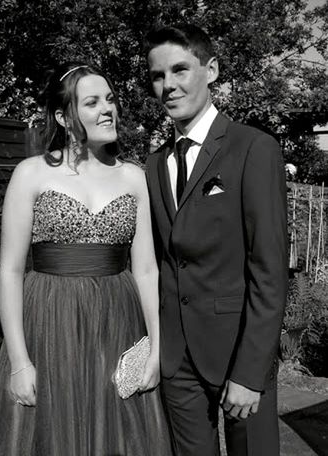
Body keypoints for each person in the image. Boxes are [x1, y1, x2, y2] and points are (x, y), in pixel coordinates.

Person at [0, 62, 173, 456]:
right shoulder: (30, 174)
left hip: (118, 322)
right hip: (48, 324)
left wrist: (156, 347)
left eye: (111, 99)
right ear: (64, 117)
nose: (108, 109)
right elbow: (11, 272)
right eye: (93, 102)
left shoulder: (133, 177)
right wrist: (18, 361)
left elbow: (147, 270)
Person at [144, 24, 288, 456]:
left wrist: (250, 371)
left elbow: (270, 269)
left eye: (180, 70)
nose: (168, 85)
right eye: (157, 75)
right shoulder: (153, 165)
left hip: (239, 351)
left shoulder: (252, 148)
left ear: (211, 70)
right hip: (176, 359)